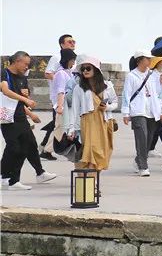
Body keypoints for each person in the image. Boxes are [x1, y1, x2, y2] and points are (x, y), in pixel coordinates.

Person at [1, 51, 56, 190]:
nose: (27, 67)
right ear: (17, 61)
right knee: (14, 148)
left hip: (21, 117)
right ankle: (7, 177)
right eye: (25, 64)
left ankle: (14, 179)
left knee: (27, 145)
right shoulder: (4, 73)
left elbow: (20, 102)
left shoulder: (22, 77)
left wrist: (30, 114)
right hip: (7, 118)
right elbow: (6, 91)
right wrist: (25, 99)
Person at [66, 56, 116, 174]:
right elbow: (74, 109)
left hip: (104, 121)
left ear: (95, 69)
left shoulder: (107, 85)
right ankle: (90, 181)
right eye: (83, 69)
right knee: (91, 151)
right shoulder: (79, 88)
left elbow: (115, 102)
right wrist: (71, 129)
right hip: (88, 122)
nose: (85, 71)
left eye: (88, 68)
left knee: (102, 152)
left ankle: (93, 180)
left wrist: (107, 107)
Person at [121, 50, 162, 177]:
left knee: (149, 139)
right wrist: (125, 113)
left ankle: (138, 159)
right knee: (142, 137)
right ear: (139, 60)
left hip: (151, 110)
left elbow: (158, 94)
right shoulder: (131, 76)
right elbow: (126, 95)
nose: (150, 61)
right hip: (137, 110)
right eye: (147, 58)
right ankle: (143, 166)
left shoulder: (153, 75)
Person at [39, 34, 77, 160]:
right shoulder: (57, 58)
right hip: (59, 99)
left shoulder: (73, 61)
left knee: (58, 124)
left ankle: (45, 146)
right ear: (62, 44)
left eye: (74, 41)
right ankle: (47, 148)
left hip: (68, 99)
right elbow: (48, 73)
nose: (72, 43)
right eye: (69, 42)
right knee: (59, 125)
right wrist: (61, 81)